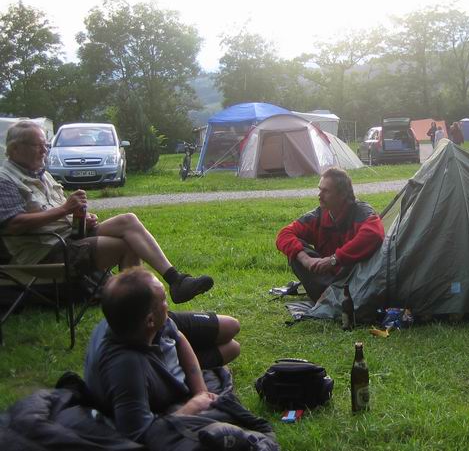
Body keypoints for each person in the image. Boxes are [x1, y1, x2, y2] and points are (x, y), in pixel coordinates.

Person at [0, 121, 212, 304]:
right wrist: (65, 209)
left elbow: (56, 212)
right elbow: (13, 224)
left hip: (67, 236)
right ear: (15, 149)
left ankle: (176, 280)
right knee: (125, 246)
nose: (44, 150)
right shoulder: (5, 180)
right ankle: (137, 308)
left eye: (45, 145)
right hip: (44, 251)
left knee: (128, 220)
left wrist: (79, 217)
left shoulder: (41, 174)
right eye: (38, 145)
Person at [83, 267, 240, 442]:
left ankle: (178, 367)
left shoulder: (134, 321)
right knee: (230, 350)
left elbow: (177, 336)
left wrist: (200, 392)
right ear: (150, 320)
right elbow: (140, 434)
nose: (168, 305)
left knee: (232, 335)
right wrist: (193, 407)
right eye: (164, 300)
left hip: (158, 347)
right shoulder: (126, 368)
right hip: (153, 380)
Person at [276, 167, 384, 302]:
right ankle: (329, 296)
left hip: (357, 280)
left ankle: (335, 298)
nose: (319, 195)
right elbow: (284, 234)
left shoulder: (361, 212)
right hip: (327, 280)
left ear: (342, 194)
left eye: (325, 191)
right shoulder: (319, 216)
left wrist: (334, 259)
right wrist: (306, 260)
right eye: (319, 189)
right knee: (296, 250)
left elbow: (373, 234)